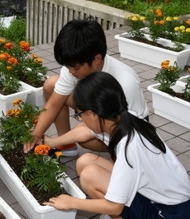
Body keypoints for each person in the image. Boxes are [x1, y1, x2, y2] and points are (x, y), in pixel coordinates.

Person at [44, 72, 190, 218]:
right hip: (162, 196)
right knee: (85, 162)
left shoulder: (130, 146)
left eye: (79, 114)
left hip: (170, 212)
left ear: (92, 114)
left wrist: (70, 202)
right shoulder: (125, 117)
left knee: (89, 176)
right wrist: (49, 142)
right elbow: (83, 132)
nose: (80, 119)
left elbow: (114, 207)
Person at [23, 19, 148, 156]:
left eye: (75, 67)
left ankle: (112, 150)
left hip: (129, 127)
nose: (71, 71)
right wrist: (36, 134)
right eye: (68, 66)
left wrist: (53, 142)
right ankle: (67, 146)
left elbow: (128, 127)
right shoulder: (74, 66)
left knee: (85, 138)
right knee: (51, 85)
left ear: (97, 59)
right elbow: (54, 104)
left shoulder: (124, 82)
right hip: (95, 109)